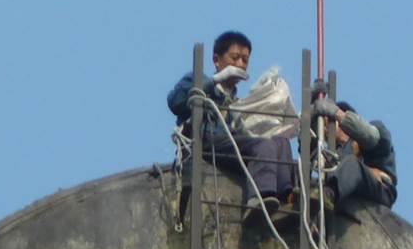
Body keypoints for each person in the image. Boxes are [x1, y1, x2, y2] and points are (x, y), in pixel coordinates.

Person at [168, 30, 296, 222]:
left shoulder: (237, 102)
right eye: (235, 58)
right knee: (263, 146)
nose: (240, 64)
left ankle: (287, 197)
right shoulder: (198, 81)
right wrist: (215, 81)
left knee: (280, 142)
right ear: (217, 60)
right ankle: (258, 199)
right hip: (208, 139)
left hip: (231, 143)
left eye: (245, 60)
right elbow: (175, 101)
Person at [309, 89, 396, 212]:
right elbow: (314, 158)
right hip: (348, 191)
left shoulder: (376, 130)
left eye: (326, 122)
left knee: (352, 164)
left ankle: (327, 195)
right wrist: (310, 117)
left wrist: (336, 113)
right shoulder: (336, 153)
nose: (324, 129)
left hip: (380, 190)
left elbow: (370, 136)